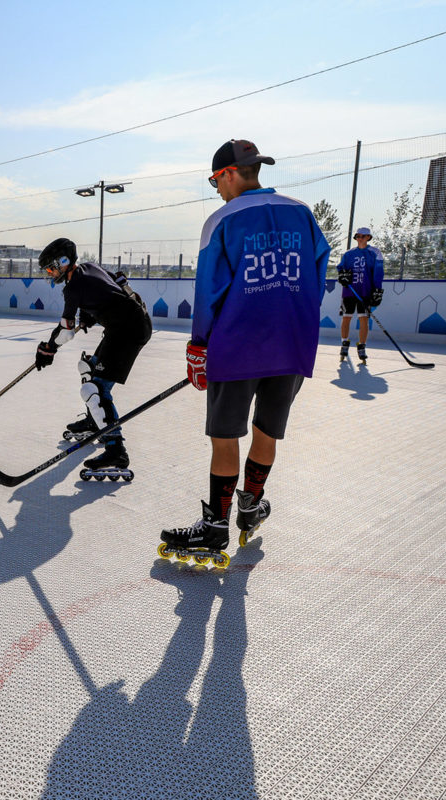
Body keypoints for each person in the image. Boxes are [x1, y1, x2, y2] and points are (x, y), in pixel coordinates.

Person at [159, 139, 330, 566]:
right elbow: (319, 270)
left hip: (236, 344)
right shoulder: (303, 213)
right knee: (268, 432)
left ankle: (216, 525)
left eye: (215, 181)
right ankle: (250, 506)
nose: (216, 190)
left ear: (228, 174)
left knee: (225, 436)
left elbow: (208, 292)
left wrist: (198, 346)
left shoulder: (222, 219)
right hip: (292, 343)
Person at [33, 238, 152, 480]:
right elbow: (116, 284)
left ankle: (115, 450)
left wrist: (48, 349)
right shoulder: (88, 268)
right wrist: (90, 314)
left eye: (51, 267)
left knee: (95, 388)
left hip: (127, 331)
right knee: (88, 369)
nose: (49, 273)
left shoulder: (73, 286)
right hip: (126, 324)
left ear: (64, 263)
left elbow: (65, 331)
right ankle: (94, 421)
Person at [337, 226, 384, 363]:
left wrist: (377, 290)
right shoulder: (348, 254)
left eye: (362, 236)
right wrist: (342, 276)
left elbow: (378, 273)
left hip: (365, 291)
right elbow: (341, 268)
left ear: (368, 237)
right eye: (357, 236)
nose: (359, 238)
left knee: (363, 319)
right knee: (346, 317)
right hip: (350, 291)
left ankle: (362, 346)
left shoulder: (375, 253)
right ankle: (344, 343)